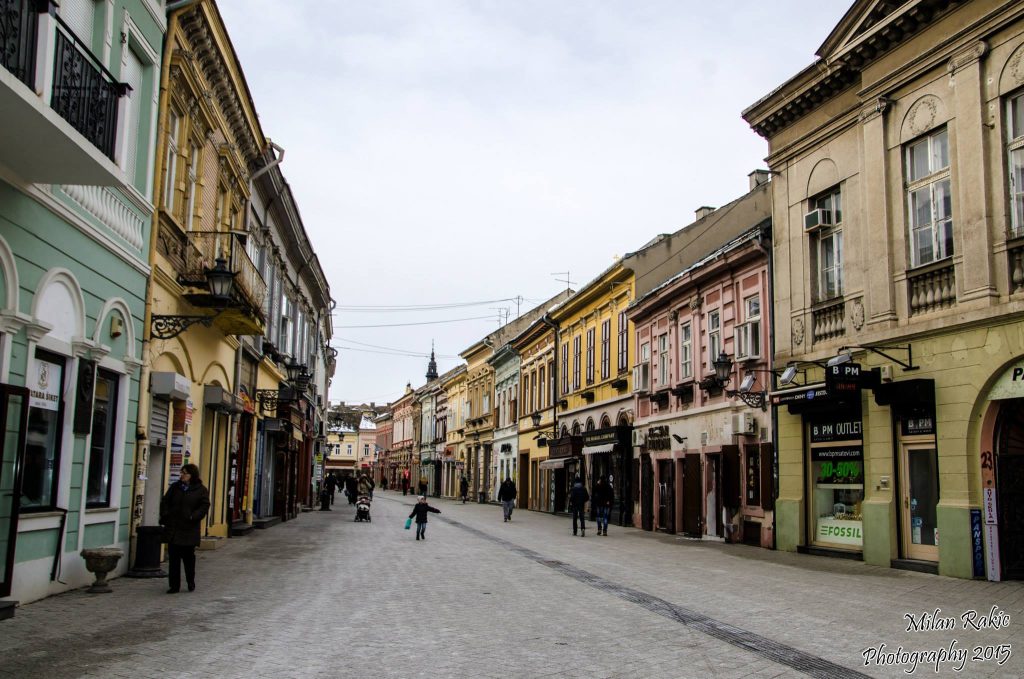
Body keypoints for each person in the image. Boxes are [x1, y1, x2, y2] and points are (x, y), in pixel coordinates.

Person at [160, 463, 210, 594]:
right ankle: (174, 586)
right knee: (174, 559)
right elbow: (165, 501)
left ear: (192, 475)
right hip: (174, 528)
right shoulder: (175, 487)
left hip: (189, 529)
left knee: (189, 559)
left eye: (184, 473)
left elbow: (204, 506)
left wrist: (194, 516)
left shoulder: (201, 490)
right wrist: (166, 514)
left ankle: (190, 581)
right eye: (181, 472)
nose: (181, 475)